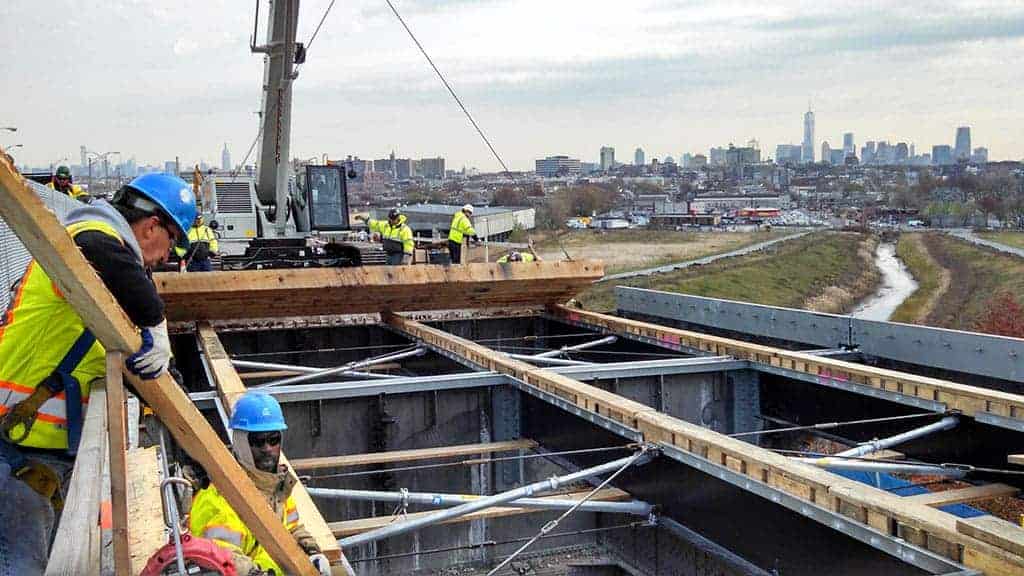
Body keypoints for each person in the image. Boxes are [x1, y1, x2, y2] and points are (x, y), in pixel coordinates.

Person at [0, 172, 196, 575]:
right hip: (14, 440)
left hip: (35, 446)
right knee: (18, 564)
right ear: (151, 227)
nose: (167, 257)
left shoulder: (100, 281)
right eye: (172, 241)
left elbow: (133, 362)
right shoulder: (90, 235)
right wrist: (155, 320)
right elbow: (99, 248)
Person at [190, 392, 344, 576]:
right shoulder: (219, 496)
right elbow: (218, 556)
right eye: (258, 441)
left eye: (273, 440)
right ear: (240, 442)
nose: (267, 449)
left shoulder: (276, 486)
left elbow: (292, 529)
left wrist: (312, 552)